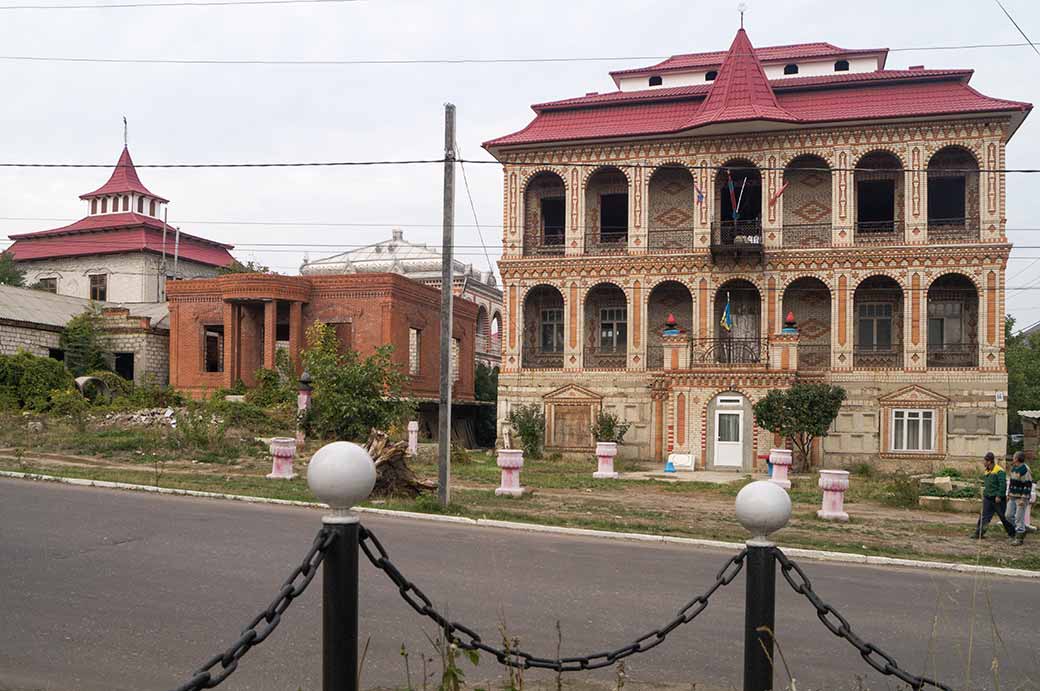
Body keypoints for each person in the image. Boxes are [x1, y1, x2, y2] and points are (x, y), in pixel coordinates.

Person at [972, 452, 1015, 539]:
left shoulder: (999, 471)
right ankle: (979, 533)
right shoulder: (987, 471)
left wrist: (999, 496)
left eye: (984, 461)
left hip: (997, 499)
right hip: (988, 498)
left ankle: (1013, 534)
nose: (983, 463)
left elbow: (1003, 485)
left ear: (989, 461)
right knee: (984, 516)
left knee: (1003, 517)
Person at [1006, 451, 1035, 546]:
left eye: (1014, 457)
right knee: (1008, 515)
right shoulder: (1014, 468)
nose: (1013, 458)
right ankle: (1023, 528)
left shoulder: (1025, 469)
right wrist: (1009, 494)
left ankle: (1019, 537)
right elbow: (1011, 482)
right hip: (1013, 496)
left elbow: (1028, 485)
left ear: (1017, 459)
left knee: (1019, 517)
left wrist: (1023, 499)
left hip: (1021, 498)